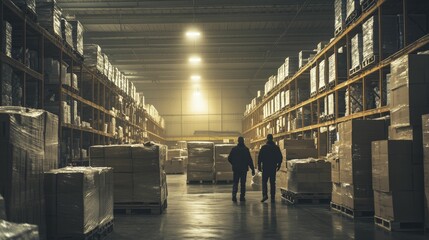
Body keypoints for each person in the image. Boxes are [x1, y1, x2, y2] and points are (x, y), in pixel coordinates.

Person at [228, 136, 255, 202]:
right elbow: (249, 160)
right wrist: (253, 169)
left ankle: (234, 196)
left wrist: (234, 164)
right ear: (243, 141)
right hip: (243, 169)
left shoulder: (234, 149)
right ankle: (242, 197)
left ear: (238, 141)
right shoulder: (246, 149)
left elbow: (229, 158)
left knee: (235, 182)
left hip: (236, 169)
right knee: (243, 183)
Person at [258, 134, 282, 203]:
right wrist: (279, 165)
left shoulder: (264, 147)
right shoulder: (276, 147)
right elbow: (280, 157)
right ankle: (272, 197)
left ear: (267, 139)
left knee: (264, 182)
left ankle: (265, 195)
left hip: (265, 167)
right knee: (272, 182)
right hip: (273, 167)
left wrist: (259, 166)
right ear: (272, 139)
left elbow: (260, 157)